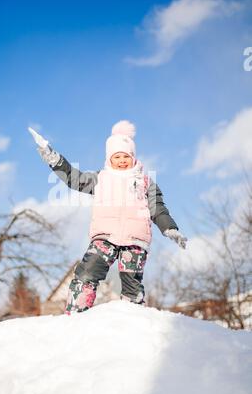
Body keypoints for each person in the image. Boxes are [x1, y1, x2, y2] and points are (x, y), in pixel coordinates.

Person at [34, 120, 187, 314]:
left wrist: (169, 228)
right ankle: (76, 314)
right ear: (109, 158)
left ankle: (132, 319)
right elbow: (74, 179)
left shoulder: (145, 182)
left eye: (126, 156)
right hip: (105, 237)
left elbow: (158, 209)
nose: (122, 160)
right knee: (87, 272)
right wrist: (54, 159)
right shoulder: (100, 178)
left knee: (132, 283)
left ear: (133, 157)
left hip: (135, 240)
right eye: (117, 156)